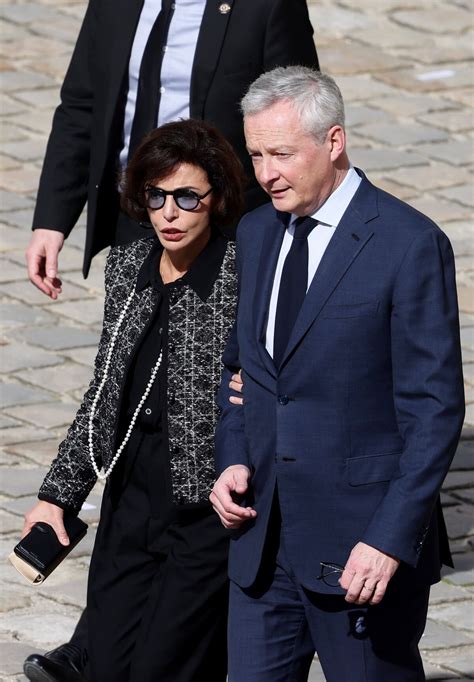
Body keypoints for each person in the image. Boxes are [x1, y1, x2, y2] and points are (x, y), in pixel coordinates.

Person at [210, 66, 465, 681]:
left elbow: (434, 413)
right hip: (262, 550)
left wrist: (388, 540)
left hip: (361, 554)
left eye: (281, 154)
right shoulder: (255, 230)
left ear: (333, 142)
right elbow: (240, 372)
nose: (265, 173)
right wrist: (233, 455)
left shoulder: (408, 245)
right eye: (255, 155)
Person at [22, 119, 244, 682]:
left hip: (202, 510)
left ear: (215, 201)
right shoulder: (128, 267)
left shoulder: (241, 275)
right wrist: (57, 496)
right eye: (156, 196)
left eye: (188, 196)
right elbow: (103, 388)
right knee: (107, 664)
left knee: (162, 667)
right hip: (130, 499)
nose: (170, 212)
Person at [25, 0, 319, 300]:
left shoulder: (267, 7)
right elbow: (81, 109)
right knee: (131, 343)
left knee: (209, 343)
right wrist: (51, 222)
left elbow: (299, 116)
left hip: (222, 226)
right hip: (134, 216)